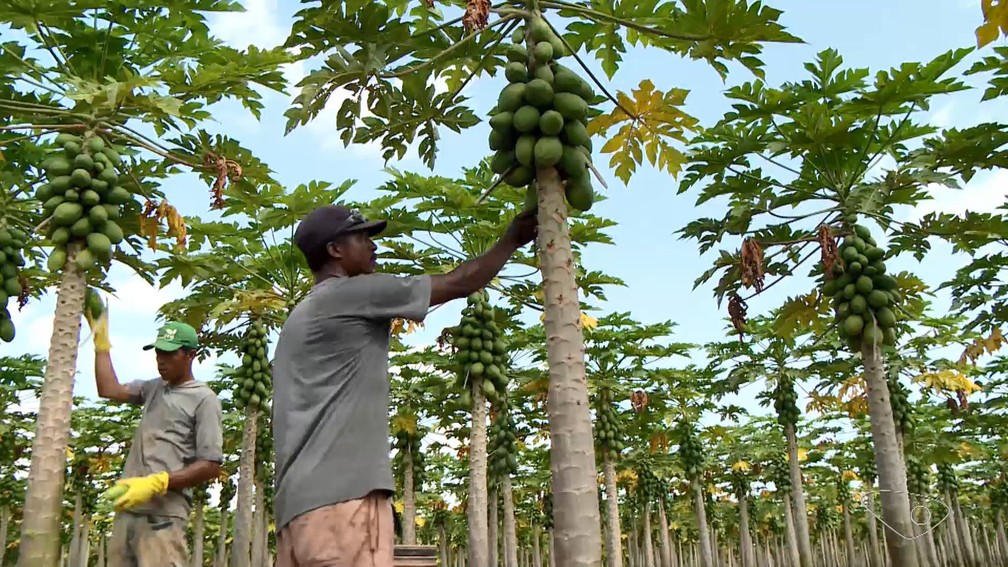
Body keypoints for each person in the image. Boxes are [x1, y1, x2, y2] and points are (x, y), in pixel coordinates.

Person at [272, 204, 537, 566]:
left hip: (299, 508)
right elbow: (461, 282)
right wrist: (512, 239)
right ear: (335, 250)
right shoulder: (353, 293)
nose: (372, 246)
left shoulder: (300, 315)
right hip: (343, 500)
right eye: (362, 237)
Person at [87, 309, 224, 567]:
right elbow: (109, 389)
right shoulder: (153, 388)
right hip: (128, 509)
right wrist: (101, 346)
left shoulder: (204, 400)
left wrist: (159, 482)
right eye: (158, 352)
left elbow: (211, 465)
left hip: (163, 517)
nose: (161, 360)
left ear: (190, 355)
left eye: (170, 353)